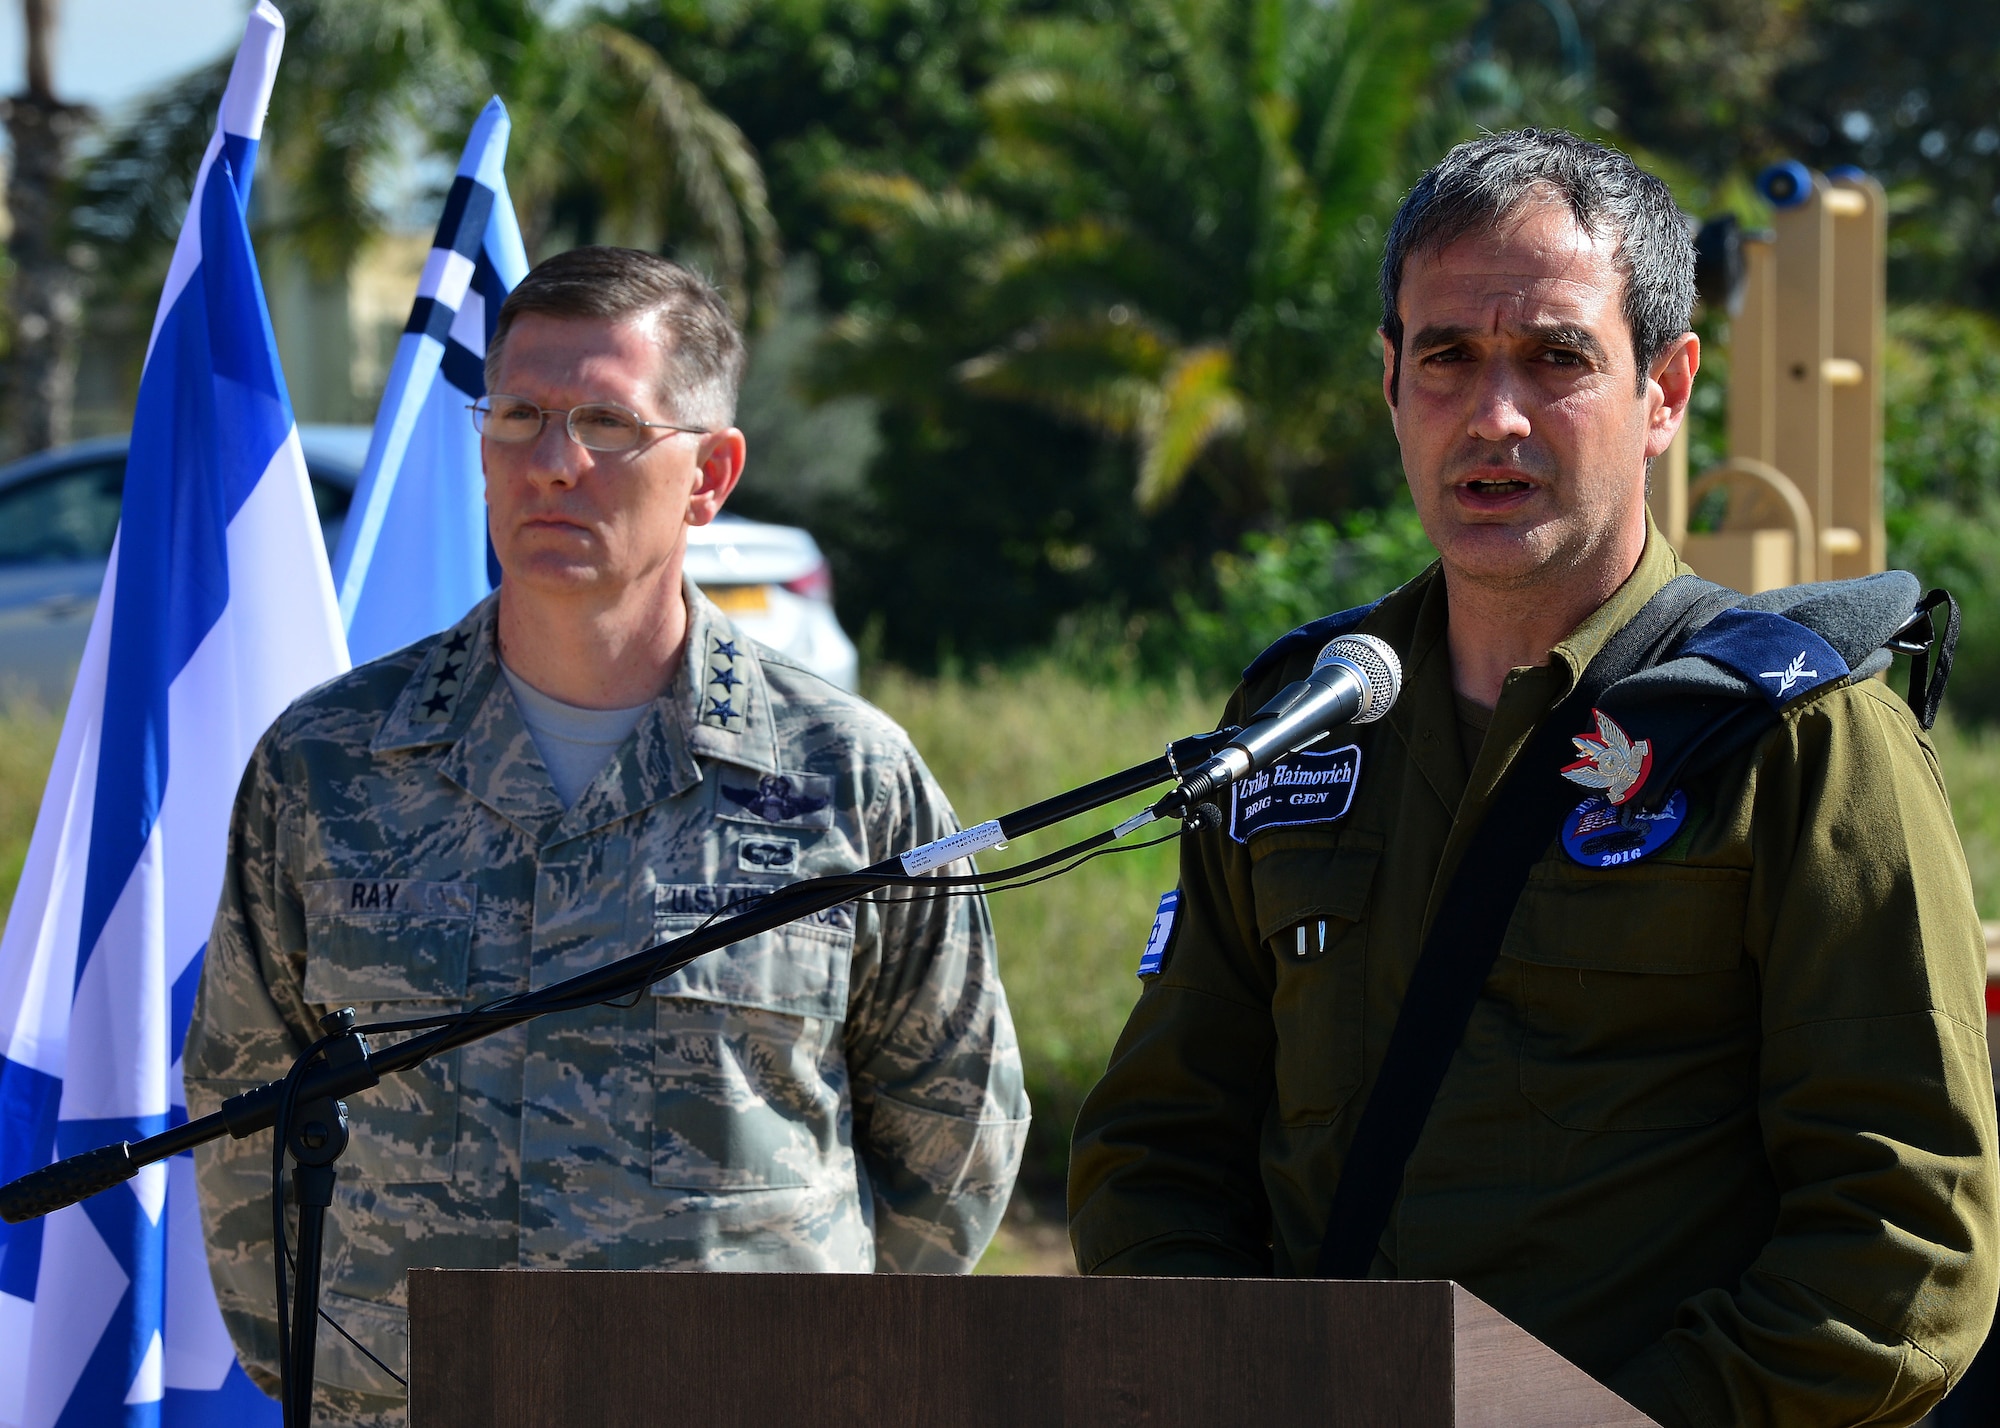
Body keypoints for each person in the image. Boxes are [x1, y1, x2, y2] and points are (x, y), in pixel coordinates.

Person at [1067, 128, 1999, 1427]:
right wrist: (1235, 1376)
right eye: (1446, 355)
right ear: (1390, 380)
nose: (1493, 414)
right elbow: (1156, 1150)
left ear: (1666, 390)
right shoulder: (1301, 719)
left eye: (1558, 358)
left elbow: (1906, 1245)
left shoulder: (1801, 741)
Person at [186, 246, 1030, 1422]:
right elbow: (240, 1113)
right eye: (519, 416)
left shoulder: (844, 776)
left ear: (709, 473)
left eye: (605, 423)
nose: (551, 464)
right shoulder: (328, 765)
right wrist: (343, 1384)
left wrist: (822, 1375)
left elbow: (955, 1131)